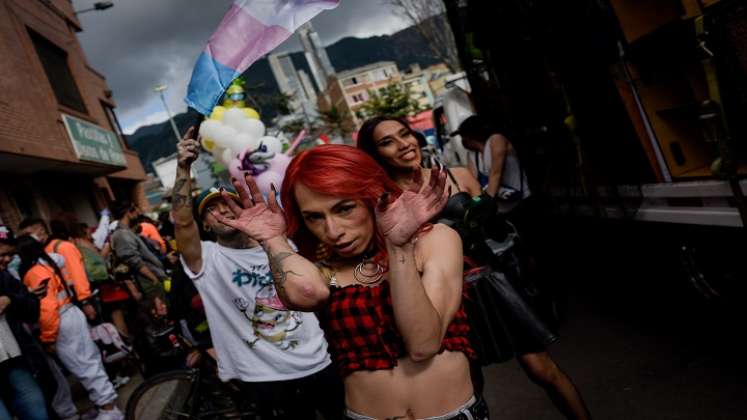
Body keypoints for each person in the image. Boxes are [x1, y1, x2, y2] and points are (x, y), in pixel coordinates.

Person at [211, 144, 488, 420]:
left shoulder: (433, 241)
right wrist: (272, 239)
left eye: (344, 209)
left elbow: (423, 344)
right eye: (314, 217)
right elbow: (305, 293)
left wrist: (398, 246)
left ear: (371, 197)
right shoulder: (325, 271)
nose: (332, 231)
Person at [357, 116, 592, 420]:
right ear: (375, 154)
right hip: (442, 298)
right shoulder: (383, 203)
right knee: (468, 387)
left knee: (542, 369)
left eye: (405, 134)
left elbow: (489, 226)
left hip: (491, 284)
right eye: (387, 142)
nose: (403, 144)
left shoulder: (456, 176)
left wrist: (485, 216)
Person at [174, 127, 344, 420]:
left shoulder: (281, 243)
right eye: (211, 211)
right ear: (205, 226)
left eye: (228, 205)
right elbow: (181, 221)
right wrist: (182, 168)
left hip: (319, 361)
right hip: (265, 378)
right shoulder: (206, 259)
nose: (222, 212)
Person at [16, 236, 123, 420]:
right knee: (91, 362)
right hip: (71, 314)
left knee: (84, 366)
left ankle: (109, 409)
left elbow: (47, 309)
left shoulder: (34, 272)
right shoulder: (48, 264)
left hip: (61, 323)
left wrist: (48, 338)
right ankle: (108, 406)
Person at [0, 232, 50, 420]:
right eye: (2, 254)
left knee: (36, 406)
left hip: (12, 356)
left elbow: (30, 310)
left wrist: (11, 299)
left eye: (9, 254)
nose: (7, 259)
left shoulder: (4, 277)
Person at [19, 219, 97, 322]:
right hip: (66, 307)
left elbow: (78, 275)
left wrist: (85, 302)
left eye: (28, 234)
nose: (26, 238)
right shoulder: (42, 251)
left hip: (81, 302)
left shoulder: (62, 247)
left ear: (41, 230)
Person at [108, 201, 167, 314]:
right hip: (148, 284)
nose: (138, 212)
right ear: (128, 213)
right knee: (162, 317)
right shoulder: (122, 234)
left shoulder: (127, 232)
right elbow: (135, 262)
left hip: (151, 282)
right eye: (135, 209)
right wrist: (154, 279)